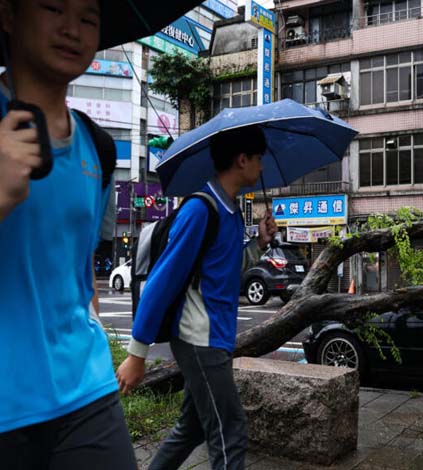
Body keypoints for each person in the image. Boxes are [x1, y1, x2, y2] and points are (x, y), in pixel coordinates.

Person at [0, 1, 136, 469]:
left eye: (89, 17)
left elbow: (80, 270)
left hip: (86, 391)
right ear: (9, 14)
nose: (72, 29)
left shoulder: (97, 148)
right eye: (54, 6)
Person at [116, 124, 278, 470]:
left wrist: (260, 243)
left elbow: (225, 270)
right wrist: (137, 353)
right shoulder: (200, 210)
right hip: (198, 337)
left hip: (215, 336)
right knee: (230, 431)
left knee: (191, 428)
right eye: (259, 158)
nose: (262, 167)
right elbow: (163, 281)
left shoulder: (231, 213)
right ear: (242, 159)